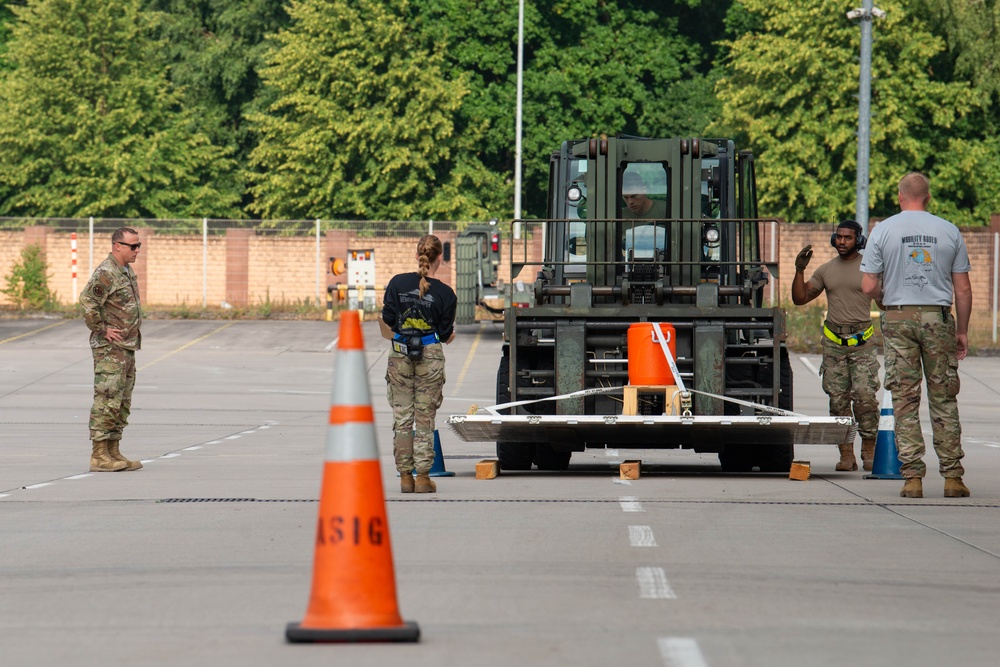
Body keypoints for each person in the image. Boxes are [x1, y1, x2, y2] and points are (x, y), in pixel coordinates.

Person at [861, 172, 973, 499]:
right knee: (943, 397)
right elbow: (963, 290)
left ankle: (912, 478)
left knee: (905, 400)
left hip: (898, 318)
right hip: (938, 319)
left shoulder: (883, 230)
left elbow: (868, 285)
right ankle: (952, 477)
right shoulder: (948, 230)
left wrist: (885, 295)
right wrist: (962, 331)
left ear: (899, 196)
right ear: (928, 197)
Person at [792, 220, 881, 472]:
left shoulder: (869, 269)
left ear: (859, 240)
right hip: (834, 344)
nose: (842, 242)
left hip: (862, 343)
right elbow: (800, 298)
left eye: (848, 238)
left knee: (864, 397)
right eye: (839, 237)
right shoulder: (826, 269)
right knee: (838, 401)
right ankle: (846, 454)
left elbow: (884, 302)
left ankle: (869, 450)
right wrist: (799, 270)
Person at [380, 235, 457, 494]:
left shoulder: (397, 283)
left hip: (400, 353)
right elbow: (445, 333)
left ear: (417, 256)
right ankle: (423, 477)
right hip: (430, 355)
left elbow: (388, 319)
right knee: (425, 417)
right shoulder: (446, 294)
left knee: (402, 417)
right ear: (440, 259)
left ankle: (405, 477)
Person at [80, 227, 144, 472]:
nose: (137, 250)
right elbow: (88, 301)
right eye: (133, 246)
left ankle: (113, 450)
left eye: (139, 245)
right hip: (110, 348)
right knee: (107, 397)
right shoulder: (106, 272)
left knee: (122, 400)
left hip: (126, 346)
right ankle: (98, 455)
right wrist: (101, 328)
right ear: (117, 246)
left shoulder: (126, 271)